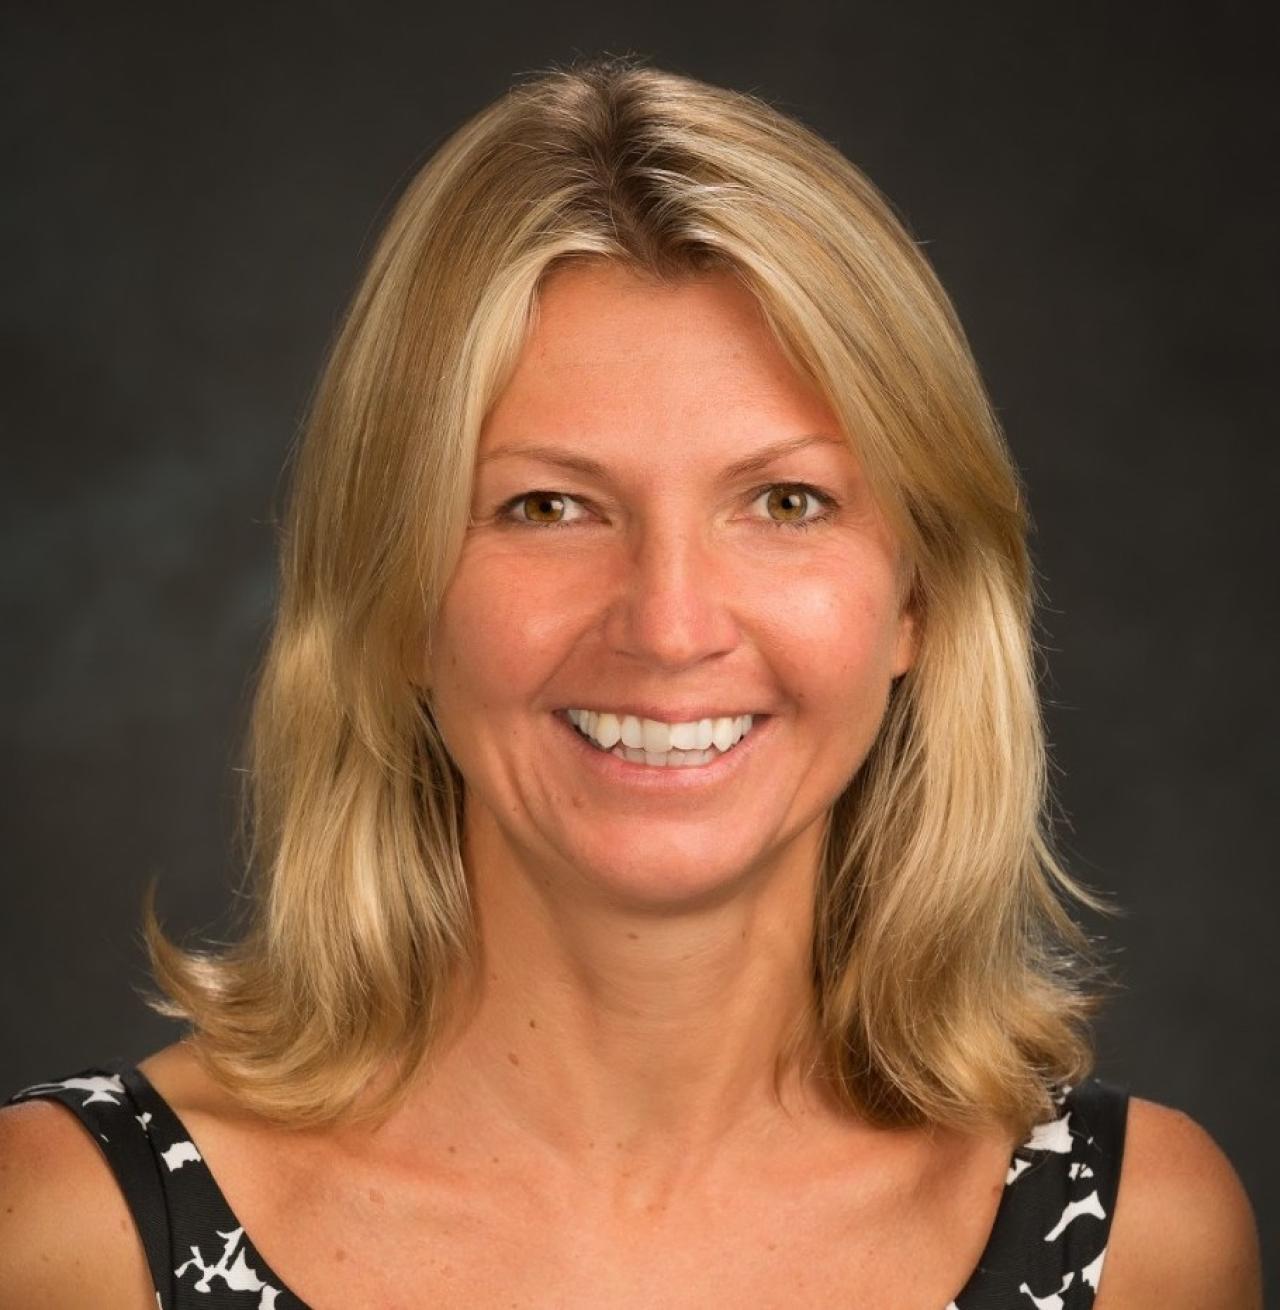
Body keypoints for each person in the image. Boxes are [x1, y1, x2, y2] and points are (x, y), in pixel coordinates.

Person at [0, 55, 1262, 1310]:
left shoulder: (1134, 1239)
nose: (667, 624)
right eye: (548, 505)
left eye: (784, 501)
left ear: (916, 598)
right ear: (393, 600)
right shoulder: (67, 1234)